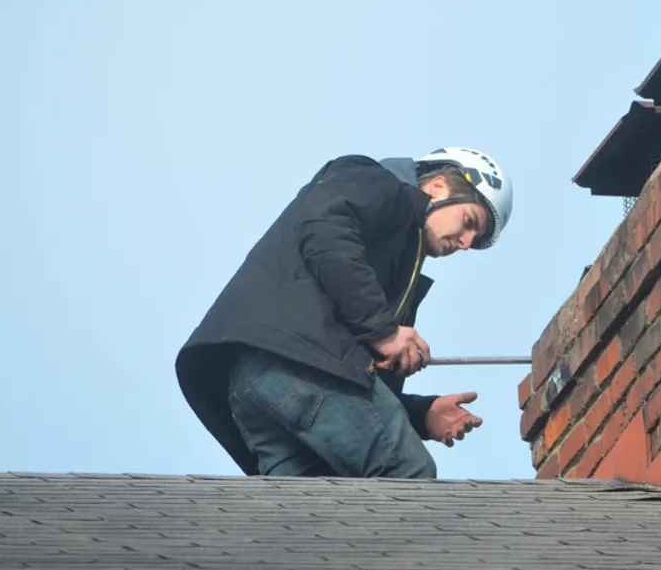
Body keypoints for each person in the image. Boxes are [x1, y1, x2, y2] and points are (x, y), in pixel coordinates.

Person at [174, 146, 513, 479]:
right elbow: (324, 225)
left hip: (252, 380)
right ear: (438, 186)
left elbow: (362, 390)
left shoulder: (390, 272)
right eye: (469, 222)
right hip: (299, 362)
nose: (467, 242)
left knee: (318, 517)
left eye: (475, 237)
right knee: (408, 475)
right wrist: (385, 332)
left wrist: (422, 414)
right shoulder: (377, 181)